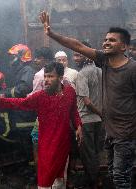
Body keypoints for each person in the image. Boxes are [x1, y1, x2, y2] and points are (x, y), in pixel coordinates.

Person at [40, 11, 136, 189]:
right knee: (115, 175)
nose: (106, 42)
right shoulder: (104, 60)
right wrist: (51, 34)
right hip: (111, 132)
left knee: (121, 178)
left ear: (124, 47)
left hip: (126, 134)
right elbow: (77, 45)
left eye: (112, 40)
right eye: (106, 39)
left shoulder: (132, 69)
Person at [0, 62, 83, 189]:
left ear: (60, 78)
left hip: (63, 145)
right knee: (44, 184)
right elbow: (20, 103)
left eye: (51, 76)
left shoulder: (69, 92)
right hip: (47, 147)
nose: (46, 80)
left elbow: (73, 111)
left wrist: (78, 125)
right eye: (45, 76)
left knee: (60, 181)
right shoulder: (40, 96)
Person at [73, 43, 103, 189]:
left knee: (87, 154)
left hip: (86, 120)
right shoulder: (101, 71)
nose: (75, 58)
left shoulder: (82, 74)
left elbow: (86, 100)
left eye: (78, 54)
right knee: (96, 152)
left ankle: (94, 182)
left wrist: (99, 112)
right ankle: (97, 179)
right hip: (99, 121)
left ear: (86, 55)